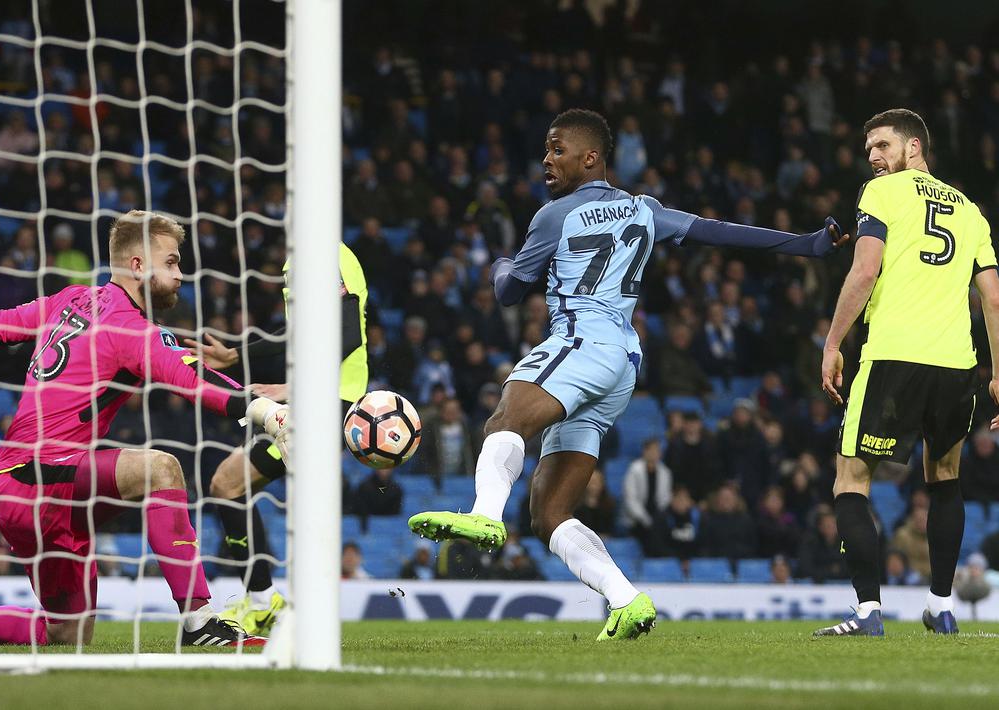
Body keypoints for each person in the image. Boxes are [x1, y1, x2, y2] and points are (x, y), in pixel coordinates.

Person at [409, 108, 848, 641]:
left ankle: (482, 514)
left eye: (557, 149)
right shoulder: (645, 209)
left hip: (582, 340)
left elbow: (507, 291)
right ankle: (627, 600)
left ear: (590, 157)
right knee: (549, 513)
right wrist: (806, 244)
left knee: (505, 418)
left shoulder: (555, 217)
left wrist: (501, 264)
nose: (546, 159)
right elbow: (721, 233)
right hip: (623, 362)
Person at [0, 210, 288, 648]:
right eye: (171, 262)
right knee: (162, 470)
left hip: (21, 486)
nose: (180, 274)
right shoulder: (129, 327)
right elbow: (194, 380)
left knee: (66, 635)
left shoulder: (68, 300)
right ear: (137, 265)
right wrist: (269, 412)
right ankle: (199, 621)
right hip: (43, 478)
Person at [817, 108, 999, 637]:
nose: (872, 156)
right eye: (868, 148)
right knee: (945, 479)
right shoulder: (971, 211)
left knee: (851, 480)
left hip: (894, 357)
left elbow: (865, 268)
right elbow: (991, 296)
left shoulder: (882, 195)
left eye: (882, 145)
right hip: (956, 366)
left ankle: (868, 612)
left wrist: (832, 342)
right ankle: (940, 606)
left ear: (913, 147)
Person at [181, 242, 369, 636]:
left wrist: (294, 386)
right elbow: (298, 333)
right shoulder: (298, 257)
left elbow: (348, 333)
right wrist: (235, 355)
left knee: (232, 484)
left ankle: (284, 607)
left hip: (331, 402)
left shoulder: (326, 253)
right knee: (227, 484)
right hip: (320, 401)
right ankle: (267, 602)